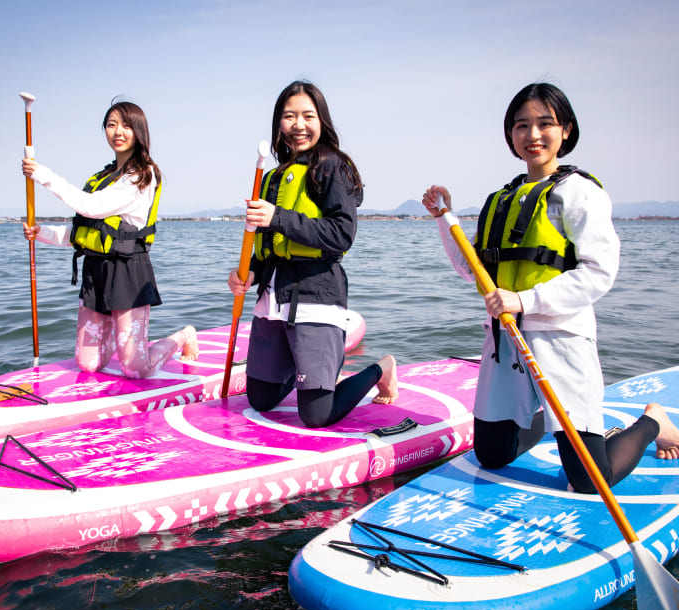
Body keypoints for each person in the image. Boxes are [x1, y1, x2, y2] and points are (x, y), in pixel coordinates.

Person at [421, 82, 679, 493]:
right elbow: (471, 269)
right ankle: (552, 422)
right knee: (491, 455)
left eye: (545, 123)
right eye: (522, 125)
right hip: (505, 346)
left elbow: (599, 272)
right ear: (511, 135)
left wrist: (524, 300)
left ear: (566, 130)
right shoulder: (500, 199)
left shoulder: (580, 192)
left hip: (561, 342)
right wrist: (443, 217)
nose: (533, 135)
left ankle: (652, 422)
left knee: (590, 481)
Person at [227, 80, 398, 428]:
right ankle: (309, 369)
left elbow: (341, 234)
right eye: (289, 117)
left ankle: (382, 368)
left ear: (323, 120)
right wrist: (249, 274)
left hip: (316, 293)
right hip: (274, 297)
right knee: (259, 400)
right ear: (279, 124)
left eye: (308, 115)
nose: (299, 125)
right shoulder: (275, 176)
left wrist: (277, 216)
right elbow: (268, 247)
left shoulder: (333, 166)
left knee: (317, 415)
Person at [22, 99, 198, 378]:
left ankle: (182, 336)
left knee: (136, 369)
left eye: (127, 125)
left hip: (128, 274)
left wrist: (42, 175)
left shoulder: (142, 175)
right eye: (111, 124)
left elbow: (91, 207)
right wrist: (40, 233)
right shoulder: (103, 177)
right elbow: (87, 234)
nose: (118, 131)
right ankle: (125, 340)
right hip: (96, 273)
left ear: (139, 131)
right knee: (88, 364)